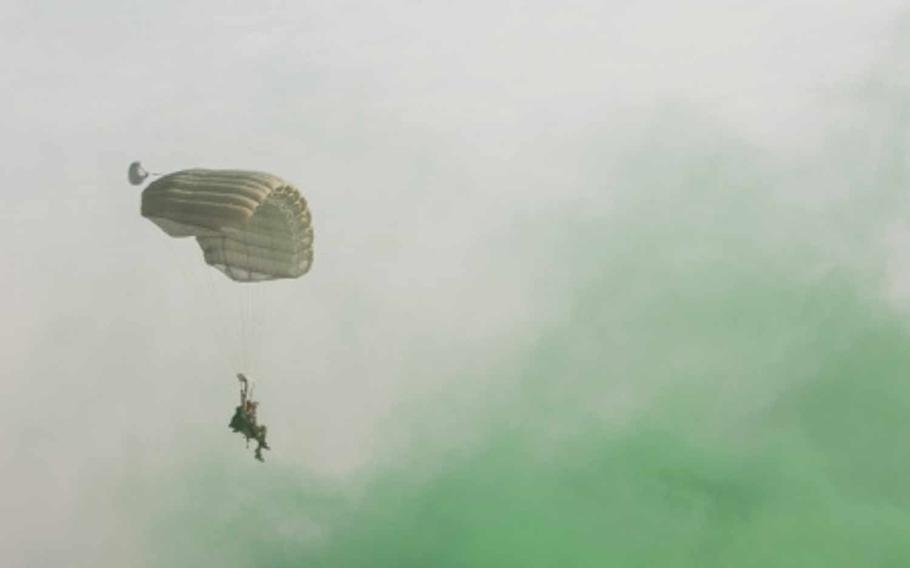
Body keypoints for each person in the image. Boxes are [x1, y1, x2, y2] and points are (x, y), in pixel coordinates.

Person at [229, 373, 270, 461]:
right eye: (253, 407)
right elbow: (245, 397)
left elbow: (248, 396)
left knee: (263, 430)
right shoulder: (245, 411)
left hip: (250, 430)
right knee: (262, 432)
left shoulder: (249, 412)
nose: (254, 409)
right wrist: (246, 383)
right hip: (249, 430)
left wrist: (246, 384)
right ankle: (258, 450)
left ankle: (259, 450)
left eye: (254, 407)